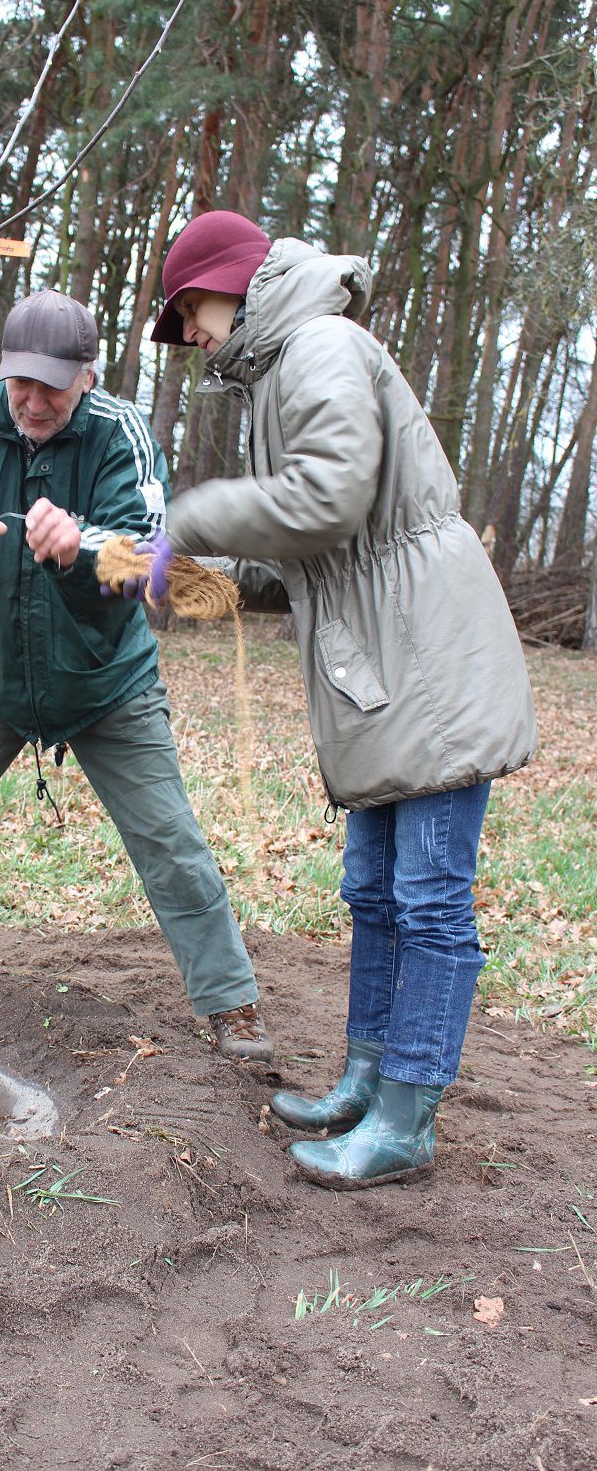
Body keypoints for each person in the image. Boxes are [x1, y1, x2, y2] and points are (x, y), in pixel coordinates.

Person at [140, 210, 536, 1187]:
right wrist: (207, 564)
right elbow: (318, 554)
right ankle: (364, 1078)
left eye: (188, 311)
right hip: (379, 671)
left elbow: (327, 502)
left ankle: (406, 1115)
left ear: (231, 284)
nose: (188, 335)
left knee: (430, 897)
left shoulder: (318, 343)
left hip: (427, 663)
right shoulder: (286, 368)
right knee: (373, 892)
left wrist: (190, 511)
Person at [0, 288, 273, 1065]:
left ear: (87, 377)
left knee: (170, 844)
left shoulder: (119, 434)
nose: (33, 403)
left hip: (108, 683)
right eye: (21, 384)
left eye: (51, 386)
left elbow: (147, 557)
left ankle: (231, 1004)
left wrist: (81, 548)